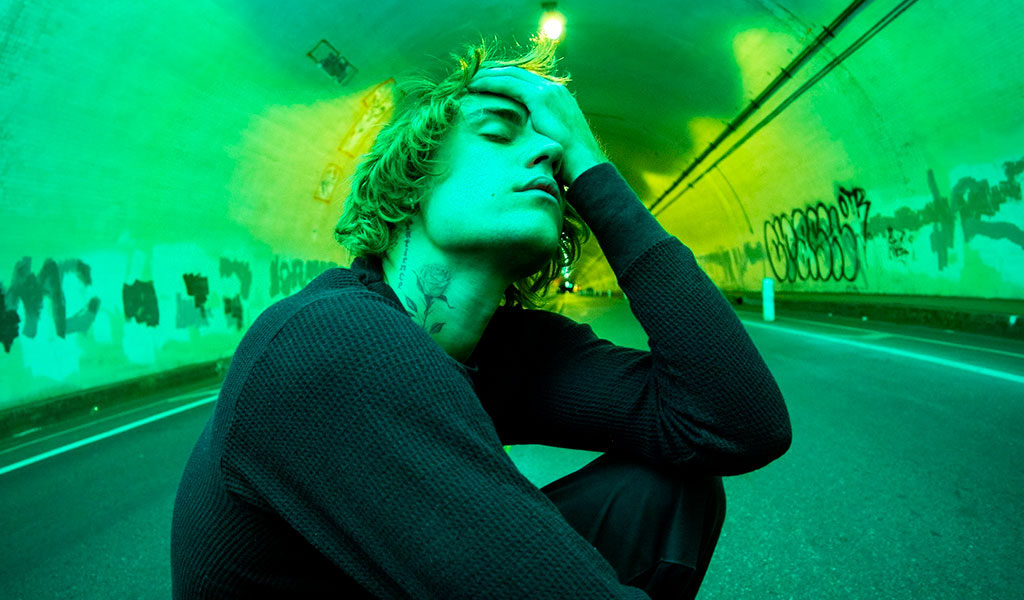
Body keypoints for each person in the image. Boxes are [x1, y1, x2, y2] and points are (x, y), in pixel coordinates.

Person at [171, 34, 792, 599]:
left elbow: (737, 423)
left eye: (558, 162)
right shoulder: (332, 339)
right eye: (498, 132)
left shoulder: (509, 348)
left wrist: (590, 163)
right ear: (411, 179)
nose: (546, 154)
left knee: (671, 486)